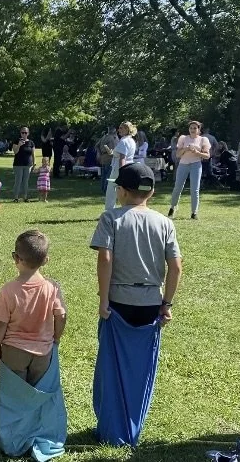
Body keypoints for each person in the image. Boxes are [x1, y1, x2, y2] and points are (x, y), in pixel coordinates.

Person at [90, 163, 182, 447]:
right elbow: (176, 267)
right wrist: (166, 303)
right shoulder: (165, 223)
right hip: (150, 303)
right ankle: (131, 427)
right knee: (141, 370)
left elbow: (105, 259)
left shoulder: (111, 218)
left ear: (121, 191)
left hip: (118, 301)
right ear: (151, 192)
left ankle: (109, 428)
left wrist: (104, 299)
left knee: (112, 367)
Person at [0, 230, 68, 460]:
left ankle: (12, 442)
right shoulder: (52, 288)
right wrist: (56, 337)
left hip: (14, 351)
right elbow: (61, 315)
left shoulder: (8, 290)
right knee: (38, 398)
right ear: (46, 260)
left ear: (16, 258)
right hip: (43, 353)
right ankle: (37, 435)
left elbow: (0, 324)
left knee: (12, 400)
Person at [167, 121, 210, 220]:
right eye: (191, 128)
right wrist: (185, 149)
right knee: (177, 187)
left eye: (195, 128)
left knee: (194, 189)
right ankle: (172, 207)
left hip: (196, 164)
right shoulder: (183, 138)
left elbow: (207, 156)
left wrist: (197, 152)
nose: (193, 130)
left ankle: (194, 212)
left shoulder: (203, 139)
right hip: (183, 164)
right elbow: (178, 154)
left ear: (199, 130)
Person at [103, 121, 137, 211]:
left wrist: (122, 172)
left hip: (120, 168)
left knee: (111, 190)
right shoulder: (131, 140)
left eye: (121, 128)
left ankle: (109, 211)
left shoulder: (124, 141)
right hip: (128, 166)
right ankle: (128, 208)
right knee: (125, 190)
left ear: (127, 129)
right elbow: (120, 154)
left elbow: (122, 158)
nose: (119, 130)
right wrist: (112, 152)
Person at [12, 126, 35, 202]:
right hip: (18, 164)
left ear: (28, 133)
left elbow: (33, 154)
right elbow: (15, 152)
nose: (24, 134)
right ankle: (16, 197)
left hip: (28, 164)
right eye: (23, 132)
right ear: (20, 133)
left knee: (25, 181)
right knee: (18, 181)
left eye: (26, 133)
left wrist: (34, 164)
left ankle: (25, 197)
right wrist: (19, 145)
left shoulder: (31, 142)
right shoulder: (16, 141)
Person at [98, 126, 118, 194]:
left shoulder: (104, 137)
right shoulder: (112, 138)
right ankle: (106, 189)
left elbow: (97, 146)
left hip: (103, 157)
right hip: (110, 157)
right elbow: (113, 149)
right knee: (108, 174)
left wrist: (99, 153)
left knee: (104, 174)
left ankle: (103, 188)